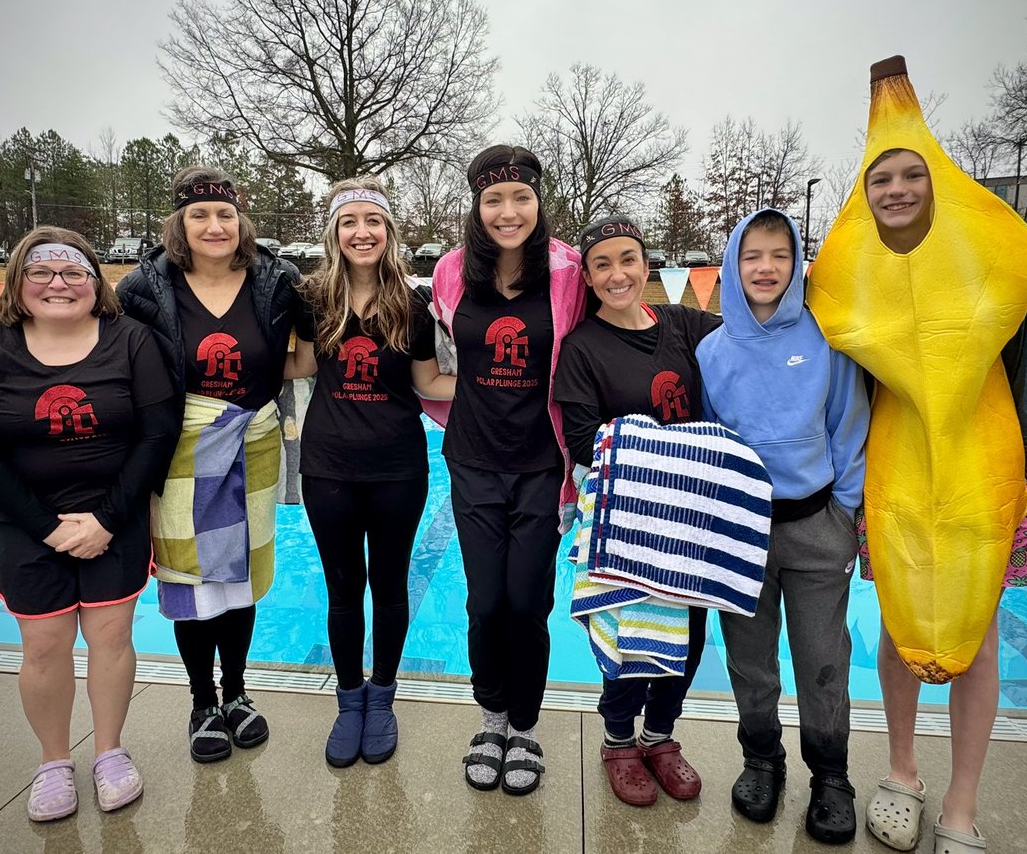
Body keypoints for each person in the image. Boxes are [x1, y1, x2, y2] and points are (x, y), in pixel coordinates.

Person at [807, 57, 1027, 854]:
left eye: (913, 174)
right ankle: (903, 772)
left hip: (987, 465)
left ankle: (961, 803)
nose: (898, 189)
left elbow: (1026, 378)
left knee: (978, 633)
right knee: (898, 624)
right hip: (898, 470)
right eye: (882, 178)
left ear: (936, 182)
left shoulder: (988, 265)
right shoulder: (850, 280)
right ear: (865, 192)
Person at [0, 227, 178, 821]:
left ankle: (109, 751)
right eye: (42, 272)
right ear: (18, 282)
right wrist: (46, 526)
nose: (58, 283)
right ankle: (52, 761)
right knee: (44, 646)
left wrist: (106, 518)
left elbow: (156, 433)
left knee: (110, 639)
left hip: (113, 518)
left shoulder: (132, 341)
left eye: (74, 273)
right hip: (23, 523)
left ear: (96, 284)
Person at [693, 209, 869, 843]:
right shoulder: (712, 350)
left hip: (816, 523)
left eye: (779, 255)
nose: (765, 268)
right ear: (733, 265)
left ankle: (831, 774)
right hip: (739, 530)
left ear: (797, 265)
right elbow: (710, 439)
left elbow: (848, 426)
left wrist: (845, 512)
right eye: (752, 256)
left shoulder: (826, 340)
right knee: (750, 659)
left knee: (824, 658)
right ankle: (761, 759)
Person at [117, 166, 300, 764]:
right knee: (190, 579)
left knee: (240, 576)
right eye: (199, 215)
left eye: (225, 214)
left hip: (253, 440)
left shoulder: (276, 281)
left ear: (240, 218)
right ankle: (202, 703)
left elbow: (305, 357)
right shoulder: (143, 290)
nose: (214, 225)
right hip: (179, 447)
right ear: (179, 223)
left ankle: (238, 693)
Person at [430, 144, 585, 795]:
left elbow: (613, 327)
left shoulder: (567, 271)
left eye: (520, 197)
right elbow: (430, 354)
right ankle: (492, 718)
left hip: (542, 465)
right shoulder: (451, 271)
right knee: (485, 601)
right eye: (494, 199)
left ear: (537, 201)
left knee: (529, 603)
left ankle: (524, 726)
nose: (508, 210)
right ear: (477, 205)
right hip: (472, 462)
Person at [286, 176, 454, 768]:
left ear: (389, 232)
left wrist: (497, 385)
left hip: (398, 467)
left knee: (388, 583)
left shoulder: (412, 305)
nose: (363, 232)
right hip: (328, 466)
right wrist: (211, 366)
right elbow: (302, 363)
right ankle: (348, 699)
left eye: (374, 222)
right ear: (334, 231)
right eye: (350, 221)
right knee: (341, 590)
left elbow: (429, 381)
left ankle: (382, 695)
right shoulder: (312, 299)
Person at [551, 215, 718, 807]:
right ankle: (619, 740)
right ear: (589, 279)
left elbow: (756, 336)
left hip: (694, 515)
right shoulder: (581, 350)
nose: (618, 273)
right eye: (603, 264)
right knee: (630, 632)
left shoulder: (688, 325)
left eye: (628, 260)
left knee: (690, 635)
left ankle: (660, 736)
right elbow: (581, 441)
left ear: (647, 267)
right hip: (627, 517)